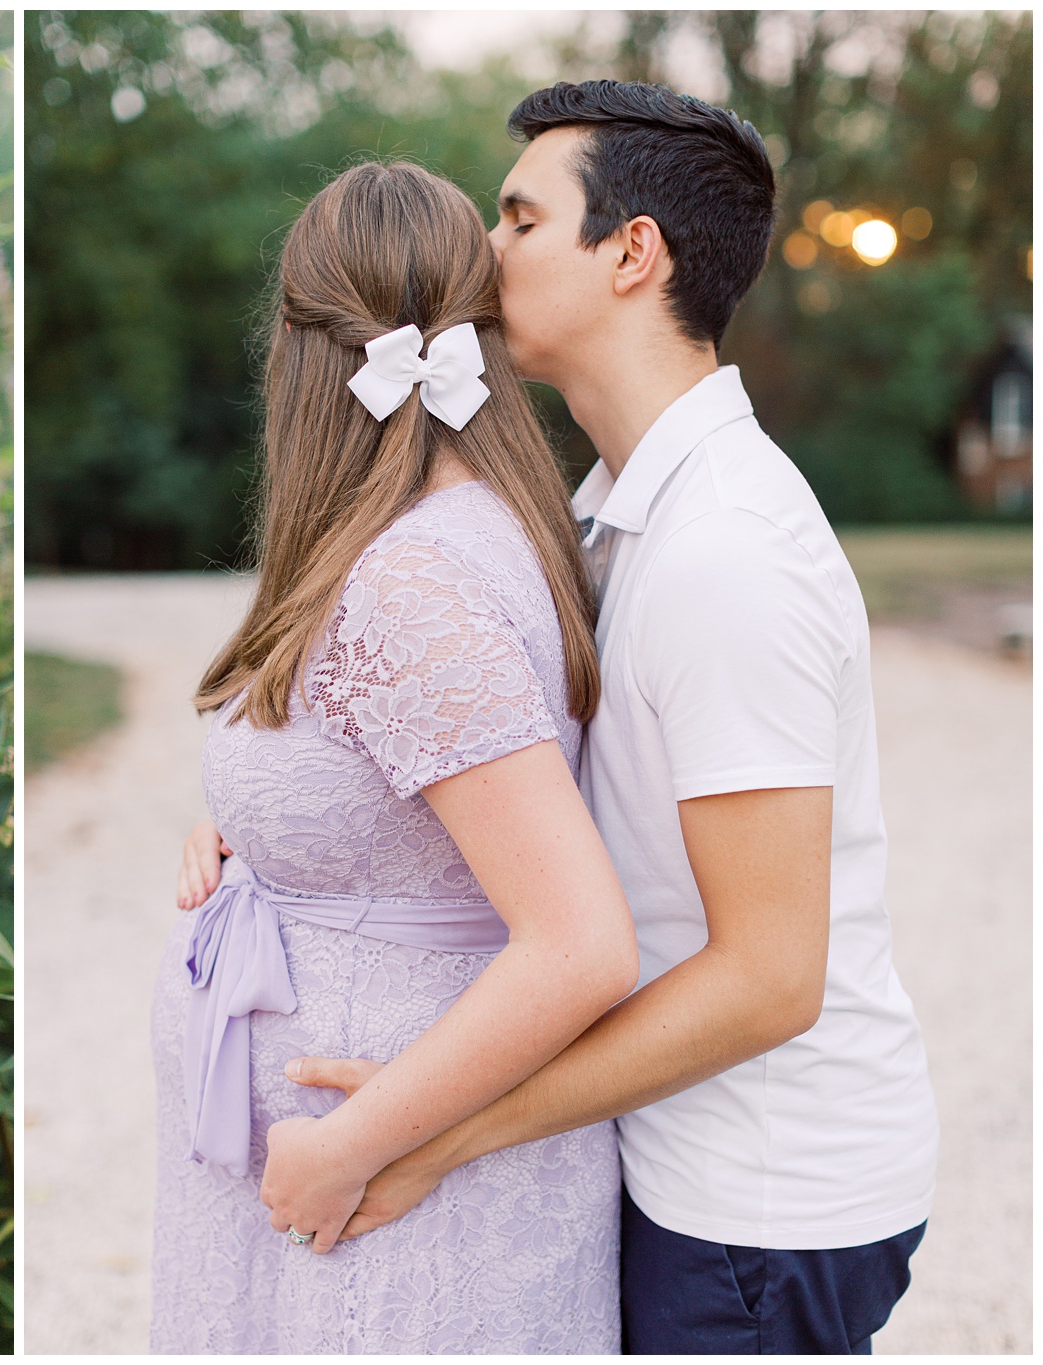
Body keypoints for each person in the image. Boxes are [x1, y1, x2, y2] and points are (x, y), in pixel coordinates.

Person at [179, 81, 937, 1355]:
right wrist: (267, 821)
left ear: (630, 252)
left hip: (751, 1199)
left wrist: (428, 1135)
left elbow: (767, 980)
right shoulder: (599, 514)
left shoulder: (725, 552)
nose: (482, 250)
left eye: (520, 219)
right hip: (668, 1159)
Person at [149, 156, 640, 1353]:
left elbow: (579, 944)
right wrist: (257, 820)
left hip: (385, 1210)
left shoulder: (412, 582)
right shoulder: (467, 530)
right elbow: (410, 790)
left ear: (301, 347)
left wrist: (344, 1148)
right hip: (360, 1189)